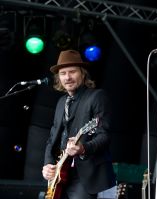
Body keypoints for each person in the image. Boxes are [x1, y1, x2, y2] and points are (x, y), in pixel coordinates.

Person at [42, 49, 116, 199]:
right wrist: (48, 165)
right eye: (63, 74)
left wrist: (83, 148)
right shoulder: (61, 102)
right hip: (61, 174)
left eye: (72, 72)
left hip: (86, 176)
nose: (67, 77)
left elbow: (104, 135)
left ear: (83, 73)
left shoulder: (96, 97)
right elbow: (52, 139)